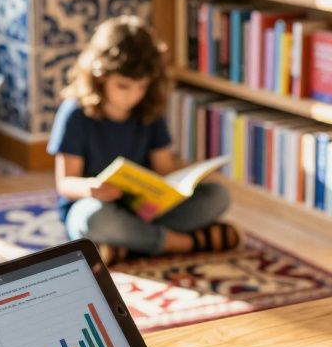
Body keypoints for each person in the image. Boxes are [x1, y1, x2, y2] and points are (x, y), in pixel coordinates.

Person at [47, 15, 240, 264]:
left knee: (217, 196)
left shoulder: (148, 111)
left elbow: (165, 171)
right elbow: (65, 184)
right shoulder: (75, 113)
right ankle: (185, 243)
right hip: (95, 206)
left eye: (141, 87)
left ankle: (125, 247)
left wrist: (180, 185)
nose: (133, 96)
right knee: (91, 220)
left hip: (144, 213)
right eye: (123, 86)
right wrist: (91, 187)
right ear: (100, 76)